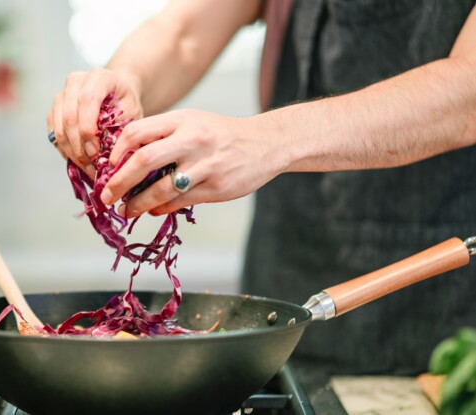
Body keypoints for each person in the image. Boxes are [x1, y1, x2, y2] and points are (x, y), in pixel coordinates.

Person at [47, 0, 476, 375]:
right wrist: (125, 79)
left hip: (438, 292)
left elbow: (467, 92)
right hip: (284, 273)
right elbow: (183, 33)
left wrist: (269, 139)